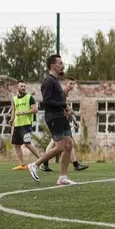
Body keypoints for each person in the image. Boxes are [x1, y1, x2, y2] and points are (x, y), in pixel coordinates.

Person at [27, 55, 76, 185]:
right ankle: (35, 165)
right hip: (53, 117)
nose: (62, 65)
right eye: (60, 63)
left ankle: (63, 177)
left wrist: (66, 110)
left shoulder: (56, 81)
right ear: (53, 66)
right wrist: (64, 105)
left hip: (61, 116)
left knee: (69, 144)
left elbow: (59, 100)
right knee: (60, 147)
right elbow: (47, 101)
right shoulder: (48, 81)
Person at [40, 77, 89, 172]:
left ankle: (44, 164)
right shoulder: (62, 93)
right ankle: (42, 164)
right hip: (58, 121)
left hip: (62, 120)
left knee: (60, 142)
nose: (72, 86)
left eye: (73, 84)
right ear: (65, 83)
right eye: (70, 83)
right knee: (61, 143)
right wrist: (73, 120)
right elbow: (63, 108)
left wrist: (72, 119)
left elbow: (65, 109)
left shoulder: (65, 94)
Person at [8, 81, 41, 170]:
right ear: (17, 87)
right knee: (16, 145)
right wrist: (12, 119)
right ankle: (22, 165)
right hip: (17, 125)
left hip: (26, 125)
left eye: (24, 86)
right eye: (21, 86)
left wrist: (23, 112)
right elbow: (14, 109)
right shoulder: (14, 98)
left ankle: (42, 161)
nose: (23, 88)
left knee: (27, 144)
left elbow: (35, 110)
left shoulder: (29, 97)